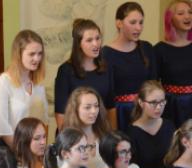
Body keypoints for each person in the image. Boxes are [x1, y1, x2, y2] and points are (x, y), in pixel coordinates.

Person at [102, 2, 156, 131]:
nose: (138, 28)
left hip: (145, 112)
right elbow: (107, 94)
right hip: (119, 115)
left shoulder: (147, 48)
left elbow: (153, 84)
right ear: (119, 23)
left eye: (141, 22)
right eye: (132, 22)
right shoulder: (106, 53)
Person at [55, 19, 116, 130]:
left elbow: (111, 108)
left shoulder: (107, 68)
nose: (96, 44)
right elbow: (60, 113)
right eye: (89, 40)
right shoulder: (65, 71)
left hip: (100, 134)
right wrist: (70, 142)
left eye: (98, 38)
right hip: (74, 135)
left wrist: (112, 138)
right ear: (78, 44)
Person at [0, 29, 49, 148]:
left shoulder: (38, 85)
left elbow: (44, 122)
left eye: (40, 54)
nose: (37, 58)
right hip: (11, 151)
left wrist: (40, 150)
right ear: (18, 54)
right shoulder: (2, 83)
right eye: (32, 54)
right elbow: (1, 127)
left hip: (34, 152)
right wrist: (21, 153)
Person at [128, 80, 175, 168]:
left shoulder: (169, 126)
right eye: (153, 102)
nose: (159, 107)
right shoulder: (131, 133)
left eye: (162, 102)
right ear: (141, 103)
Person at [155, 0, 192, 127]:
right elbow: (153, 83)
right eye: (181, 13)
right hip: (170, 107)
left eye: (190, 12)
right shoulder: (160, 49)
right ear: (170, 19)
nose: (187, 16)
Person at [62, 86, 111, 168]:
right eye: (87, 107)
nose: (94, 111)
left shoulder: (105, 135)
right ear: (75, 110)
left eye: (96, 106)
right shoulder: (67, 141)